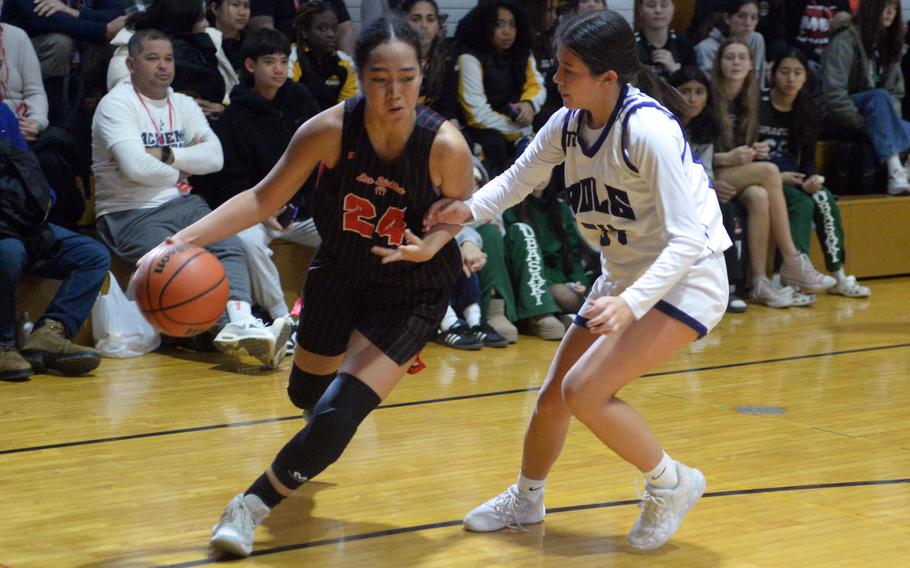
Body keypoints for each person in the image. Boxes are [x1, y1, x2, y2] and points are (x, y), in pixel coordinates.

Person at [153, 16, 473, 557]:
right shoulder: (327, 130)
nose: (394, 92)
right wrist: (177, 243)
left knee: (338, 413)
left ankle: (248, 507)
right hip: (340, 273)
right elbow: (260, 199)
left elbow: (457, 214)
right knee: (306, 394)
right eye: (378, 77)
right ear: (358, 75)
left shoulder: (445, 145)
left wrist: (435, 243)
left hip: (412, 289)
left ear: (423, 75)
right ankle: (311, 418)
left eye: (407, 77)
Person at [426, 10, 730, 550]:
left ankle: (673, 483)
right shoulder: (570, 122)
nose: (557, 80)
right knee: (552, 399)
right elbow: (517, 180)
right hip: (628, 275)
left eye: (568, 71)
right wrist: (465, 211)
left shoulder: (647, 130)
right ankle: (527, 498)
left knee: (585, 392)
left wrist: (632, 304)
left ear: (608, 78)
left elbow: (687, 241)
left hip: (688, 278)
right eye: (558, 68)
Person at [92, 29, 290, 367]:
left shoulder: (182, 103)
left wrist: (167, 156)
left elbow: (215, 159)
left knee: (230, 242)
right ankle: (230, 332)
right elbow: (135, 167)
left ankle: (241, 321)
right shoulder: (115, 105)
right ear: (130, 63)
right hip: (128, 214)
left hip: (181, 203)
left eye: (168, 58)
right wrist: (184, 168)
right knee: (186, 266)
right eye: (152, 58)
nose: (163, 66)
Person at [194, 27, 322, 337]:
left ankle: (335, 313)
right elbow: (231, 181)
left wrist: (301, 203)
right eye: (270, 62)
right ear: (251, 66)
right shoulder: (234, 117)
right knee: (246, 242)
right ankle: (283, 320)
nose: (279, 69)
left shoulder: (300, 99)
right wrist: (264, 210)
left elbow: (319, 156)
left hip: (300, 209)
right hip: (258, 210)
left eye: (284, 61)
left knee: (347, 236)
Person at [711, 38, 835, 306]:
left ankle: (758, 282)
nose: (735, 63)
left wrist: (754, 152)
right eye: (729, 57)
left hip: (737, 174)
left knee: (759, 196)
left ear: (751, 66)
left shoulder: (751, 100)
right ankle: (792, 259)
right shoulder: (709, 97)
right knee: (768, 172)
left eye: (741, 58)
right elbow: (686, 151)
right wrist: (726, 157)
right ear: (718, 63)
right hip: (706, 174)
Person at [0, 103, 110, 382]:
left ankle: (50, 332)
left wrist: (44, 198)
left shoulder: (3, 112)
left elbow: (26, 168)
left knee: (92, 254)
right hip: (6, 232)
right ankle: (3, 345)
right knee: (10, 253)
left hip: (19, 222)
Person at [760, 49, 870, 297]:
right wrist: (782, 178)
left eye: (797, 73)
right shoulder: (759, 104)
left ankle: (839, 274)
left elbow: (807, 160)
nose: (790, 79)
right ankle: (787, 277)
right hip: (764, 176)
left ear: (806, 77)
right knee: (800, 203)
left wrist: (812, 178)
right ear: (773, 74)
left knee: (823, 198)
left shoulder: (807, 109)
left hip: (793, 177)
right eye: (784, 72)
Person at [668, 65, 749, 312]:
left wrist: (711, 187)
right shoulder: (662, 121)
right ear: (672, 93)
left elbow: (703, 168)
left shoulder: (706, 124)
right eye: (685, 91)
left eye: (699, 92)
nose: (692, 99)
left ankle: (731, 287)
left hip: (693, 191)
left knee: (721, 207)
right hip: (667, 191)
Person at [822, 0, 910, 196]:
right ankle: (895, 171)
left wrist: (884, 124)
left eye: (895, 9)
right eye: (885, 6)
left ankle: (903, 171)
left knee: (886, 102)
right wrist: (869, 125)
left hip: (874, 120)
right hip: (840, 120)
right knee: (879, 97)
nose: (890, 13)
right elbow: (834, 98)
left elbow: (896, 94)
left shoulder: (890, 44)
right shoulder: (844, 40)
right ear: (871, 8)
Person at [454, 0, 547, 177]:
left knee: (547, 121)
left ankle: (547, 197)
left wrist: (529, 105)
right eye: (499, 25)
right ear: (485, 26)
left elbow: (537, 85)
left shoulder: (521, 51)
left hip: (515, 115)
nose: (507, 32)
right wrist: (517, 130)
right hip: (481, 124)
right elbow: (476, 113)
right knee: (494, 143)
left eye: (512, 25)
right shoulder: (469, 57)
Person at [107, 0, 239, 121]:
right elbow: (126, 107)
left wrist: (222, 108)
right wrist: (180, 107)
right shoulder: (127, 54)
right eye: (201, 18)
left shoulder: (207, 42)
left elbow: (229, 91)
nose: (207, 24)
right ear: (183, 21)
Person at [290, 1, 360, 111]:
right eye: (322, 28)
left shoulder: (346, 63)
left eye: (335, 29)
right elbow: (289, 102)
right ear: (304, 32)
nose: (331, 34)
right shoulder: (291, 58)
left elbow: (347, 109)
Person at [401, 0, 458, 120]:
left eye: (430, 19)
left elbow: (448, 108)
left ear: (438, 25)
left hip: (434, 124)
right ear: (403, 23)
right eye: (416, 19)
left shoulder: (447, 58)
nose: (424, 25)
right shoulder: (392, 57)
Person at [695, 0, 766, 87]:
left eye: (753, 17)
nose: (748, 23)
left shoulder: (756, 40)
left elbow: (758, 82)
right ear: (727, 18)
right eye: (741, 16)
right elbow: (708, 87)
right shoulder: (706, 48)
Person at [249, 0, 355, 55]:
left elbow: (346, 28)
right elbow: (263, 29)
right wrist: (285, 60)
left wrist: (349, 63)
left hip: (325, 57)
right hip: (286, 56)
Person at [635, 0, 696, 80]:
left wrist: (676, 70)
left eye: (664, 5)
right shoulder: (629, 44)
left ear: (673, 8)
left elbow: (694, 85)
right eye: (651, 5)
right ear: (640, 10)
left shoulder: (684, 45)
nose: (658, 10)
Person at [209, 0, 252, 75]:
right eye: (235, 5)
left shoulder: (253, 42)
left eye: (246, 6)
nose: (242, 13)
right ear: (215, 8)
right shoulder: (205, 42)